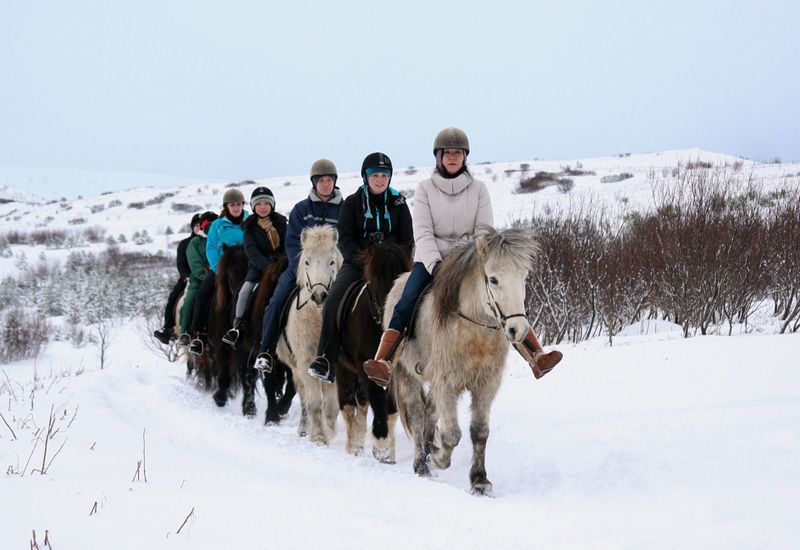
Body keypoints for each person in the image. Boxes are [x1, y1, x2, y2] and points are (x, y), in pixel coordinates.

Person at [363, 128, 563, 387]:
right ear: (439, 157)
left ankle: (536, 357)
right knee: (406, 301)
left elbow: (483, 230)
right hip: (430, 260)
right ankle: (385, 362)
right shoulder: (425, 189)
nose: (453, 158)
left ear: (465, 157)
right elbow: (422, 232)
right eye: (448, 153)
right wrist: (436, 265)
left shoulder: (479, 189)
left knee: (504, 294)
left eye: (458, 153)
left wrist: (468, 256)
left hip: (468, 260)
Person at [307, 152, 414, 384]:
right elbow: (345, 238)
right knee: (333, 300)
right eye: (375, 175)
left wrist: (390, 254)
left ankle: (420, 354)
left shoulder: (399, 203)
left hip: (394, 268)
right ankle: (326, 357)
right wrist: (365, 258)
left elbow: (408, 240)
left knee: (419, 297)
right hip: (358, 264)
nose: (380, 180)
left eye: (384, 175)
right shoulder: (353, 203)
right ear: (366, 177)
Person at [254, 159, 344, 372]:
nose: (325, 184)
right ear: (314, 182)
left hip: (335, 268)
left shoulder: (345, 209)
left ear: (334, 182)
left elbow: (347, 240)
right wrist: (304, 267)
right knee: (277, 300)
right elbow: (292, 242)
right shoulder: (301, 209)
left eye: (329, 180)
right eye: (320, 180)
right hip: (304, 267)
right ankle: (266, 350)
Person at [222, 187, 287, 348]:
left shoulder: (282, 223)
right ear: (253, 207)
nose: (263, 207)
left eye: (266, 203)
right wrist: (269, 267)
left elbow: (288, 246)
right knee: (244, 291)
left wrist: (281, 264)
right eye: (259, 204)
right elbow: (252, 253)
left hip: (283, 268)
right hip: (258, 271)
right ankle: (238, 327)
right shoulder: (249, 228)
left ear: (272, 205)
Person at [188, 188, 249, 355]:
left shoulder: (250, 221)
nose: (236, 207)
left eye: (238, 204)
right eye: (232, 204)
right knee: (203, 294)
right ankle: (199, 335)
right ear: (226, 206)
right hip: (222, 268)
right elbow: (212, 248)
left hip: (247, 267)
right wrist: (218, 269)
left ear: (242, 205)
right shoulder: (217, 225)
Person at [154, 213, 201, 344]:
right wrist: (185, 276)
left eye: (201, 225)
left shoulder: (209, 241)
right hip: (188, 277)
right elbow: (180, 263)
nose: (199, 228)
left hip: (205, 276)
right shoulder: (184, 244)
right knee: (173, 297)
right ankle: (169, 329)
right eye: (196, 225)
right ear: (192, 227)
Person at [178, 211, 218, 344]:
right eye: (208, 225)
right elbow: (195, 264)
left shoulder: (220, 240)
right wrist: (205, 275)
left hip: (220, 277)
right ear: (202, 227)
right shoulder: (195, 242)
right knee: (190, 299)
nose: (211, 227)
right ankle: (186, 331)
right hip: (199, 279)